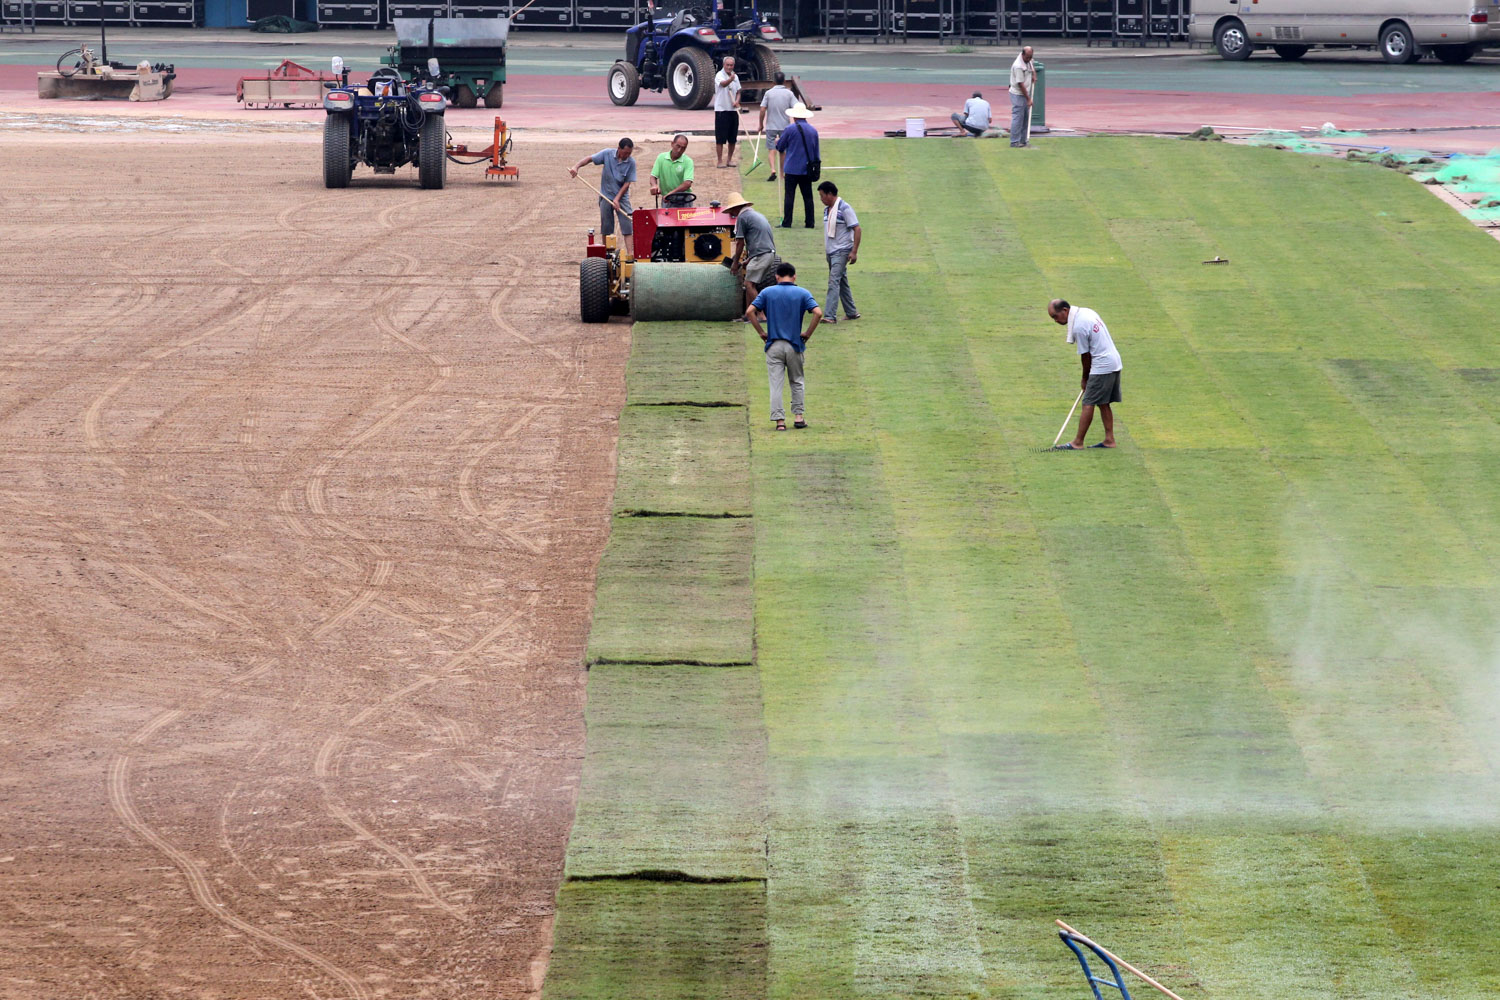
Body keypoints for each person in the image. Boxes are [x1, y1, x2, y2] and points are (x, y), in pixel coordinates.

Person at [747, 261, 822, 431]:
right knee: (796, 381)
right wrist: (807, 334)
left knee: (776, 384)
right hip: (794, 344)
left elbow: (750, 311)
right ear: (794, 276)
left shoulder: (767, 292)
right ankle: (798, 416)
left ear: (776, 276)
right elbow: (817, 313)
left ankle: (779, 421)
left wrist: (761, 332)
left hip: (773, 344)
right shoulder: (802, 293)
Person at [1048, 299, 1122, 449]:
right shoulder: (1087, 312)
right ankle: (1109, 440)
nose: (1055, 321)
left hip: (1102, 365)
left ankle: (1078, 442)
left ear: (1065, 311)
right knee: (1103, 402)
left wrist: (1085, 379)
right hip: (1114, 361)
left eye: (1055, 316)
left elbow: (1086, 356)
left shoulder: (1079, 327)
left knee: (1088, 403)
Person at [569, 138, 636, 237]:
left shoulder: (631, 162)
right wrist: (576, 166)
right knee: (606, 229)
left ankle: (630, 252)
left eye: (629, 153)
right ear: (619, 148)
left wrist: (617, 199)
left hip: (622, 197)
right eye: (625, 153)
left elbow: (627, 184)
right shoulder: (607, 153)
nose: (627, 156)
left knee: (627, 226)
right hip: (606, 196)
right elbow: (590, 159)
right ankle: (607, 251)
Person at [724, 191, 778, 312]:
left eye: (732, 210)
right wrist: (749, 259)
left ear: (737, 207)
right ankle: (748, 315)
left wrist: (735, 262)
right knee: (750, 284)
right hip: (769, 253)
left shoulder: (742, 217)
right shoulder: (756, 215)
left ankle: (762, 314)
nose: (732, 213)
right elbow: (760, 239)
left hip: (762, 255)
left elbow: (740, 243)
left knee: (749, 285)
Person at [817, 181, 860, 324]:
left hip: (841, 251)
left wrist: (854, 251)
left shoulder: (845, 208)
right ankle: (851, 312)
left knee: (833, 281)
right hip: (831, 252)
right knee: (841, 280)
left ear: (830, 194)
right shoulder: (827, 210)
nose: (821, 199)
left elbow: (857, 229)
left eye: (822, 196)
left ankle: (830, 315)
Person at [775, 103, 819, 229]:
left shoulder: (790, 129)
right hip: (807, 169)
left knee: (789, 196)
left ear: (794, 116)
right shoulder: (813, 131)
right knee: (808, 197)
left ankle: (787, 222)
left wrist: (777, 142)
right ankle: (810, 223)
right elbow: (816, 153)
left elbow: (780, 147)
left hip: (792, 168)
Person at [757, 72, 796, 183]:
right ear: (784, 81)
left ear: (773, 82)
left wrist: (761, 124)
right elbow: (796, 107)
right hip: (785, 126)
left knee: (771, 149)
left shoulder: (769, 93)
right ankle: (782, 174)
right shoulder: (789, 94)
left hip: (771, 125)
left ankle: (773, 169)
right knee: (782, 150)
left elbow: (762, 109)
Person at [650, 133, 695, 206]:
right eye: (678, 146)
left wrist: (671, 193)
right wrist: (654, 185)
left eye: (683, 148)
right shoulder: (661, 158)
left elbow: (687, 183)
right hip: (667, 198)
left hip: (684, 199)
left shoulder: (688, 161)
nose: (679, 150)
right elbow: (653, 176)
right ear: (672, 144)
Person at [713, 56, 741, 168]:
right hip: (721, 110)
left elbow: (739, 91)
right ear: (724, 65)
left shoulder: (736, 76)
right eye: (727, 65)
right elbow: (723, 84)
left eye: (731, 65)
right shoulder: (719, 75)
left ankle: (729, 160)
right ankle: (720, 161)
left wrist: (737, 101)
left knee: (732, 137)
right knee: (720, 138)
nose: (729, 67)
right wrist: (731, 79)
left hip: (733, 110)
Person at [1009, 46, 1036, 148]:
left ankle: (1023, 140)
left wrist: (1034, 74)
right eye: (1027, 57)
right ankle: (1014, 142)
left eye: (1030, 57)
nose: (1029, 59)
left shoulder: (1028, 59)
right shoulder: (1018, 66)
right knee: (1018, 117)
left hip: (1026, 93)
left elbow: (1032, 63)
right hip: (1018, 94)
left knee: (1026, 118)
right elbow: (1020, 84)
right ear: (1023, 54)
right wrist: (1028, 99)